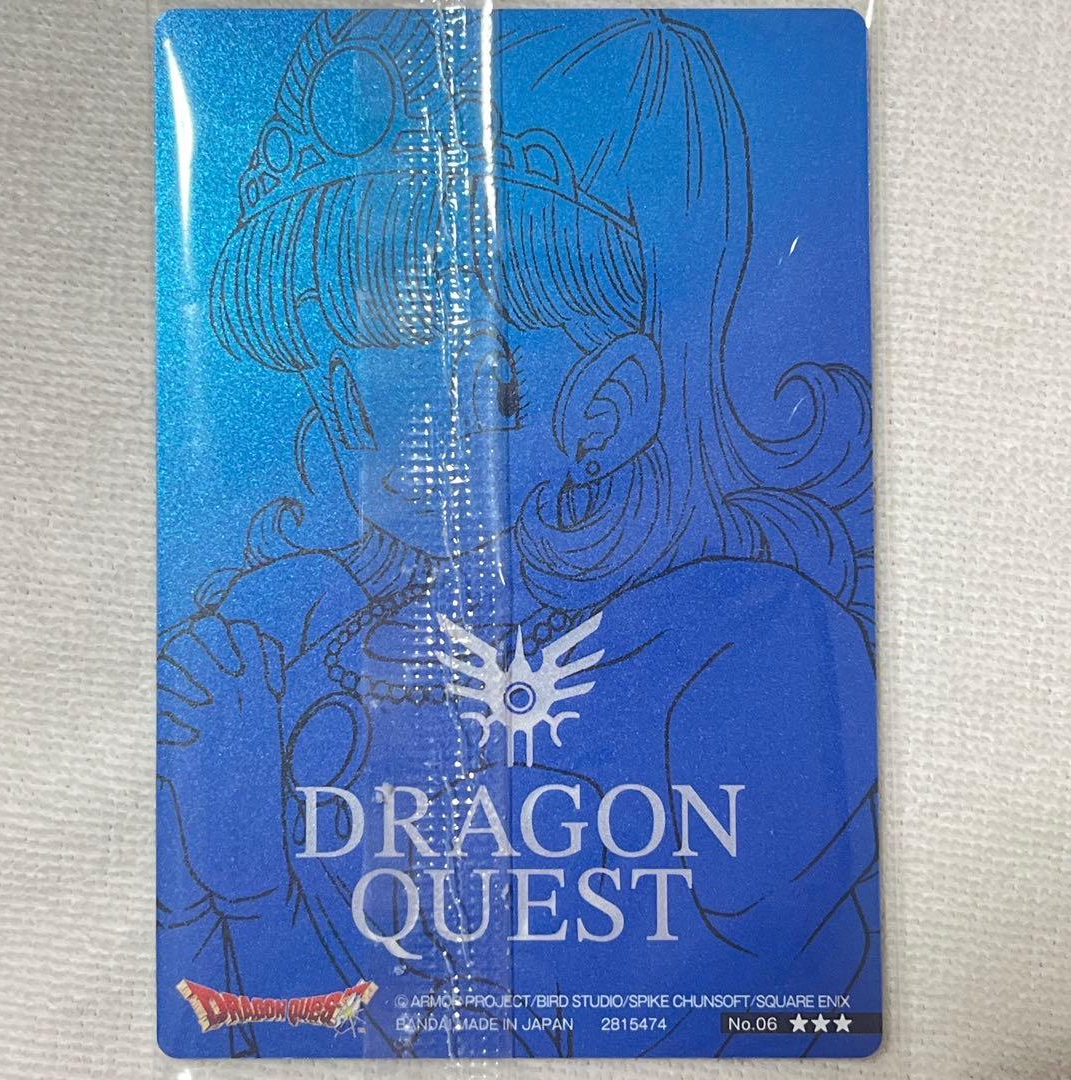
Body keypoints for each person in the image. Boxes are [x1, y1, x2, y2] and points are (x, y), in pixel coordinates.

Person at [157, 9, 878, 1058]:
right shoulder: (298, 625)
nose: (364, 400)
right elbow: (205, 1016)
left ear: (608, 405)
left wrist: (257, 881)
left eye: (463, 359)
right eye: (347, 341)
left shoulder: (749, 645)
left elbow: (656, 1038)